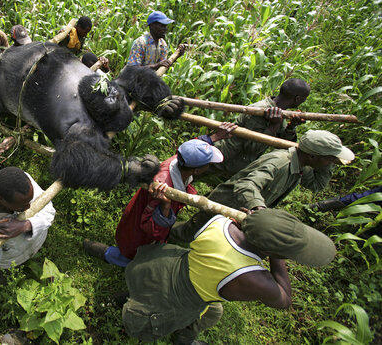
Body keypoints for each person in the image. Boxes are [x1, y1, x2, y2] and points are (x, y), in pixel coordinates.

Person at [121, 208, 336, 343]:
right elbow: (284, 300)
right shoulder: (251, 277)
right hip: (176, 299)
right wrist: (278, 256)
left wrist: (260, 226)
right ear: (270, 251)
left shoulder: (220, 222)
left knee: (215, 310)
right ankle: (183, 338)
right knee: (212, 312)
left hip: (164, 265)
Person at [83, 125, 235, 267]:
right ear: (196, 170)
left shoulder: (178, 161)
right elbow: (151, 228)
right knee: (133, 253)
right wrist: (166, 205)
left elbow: (191, 147)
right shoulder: (163, 188)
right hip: (139, 229)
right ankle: (106, 253)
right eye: (208, 163)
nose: (209, 166)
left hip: (137, 215)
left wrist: (213, 137)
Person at [171, 130, 355, 242]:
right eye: (328, 159)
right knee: (189, 232)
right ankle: (158, 238)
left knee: (208, 236)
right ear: (313, 156)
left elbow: (317, 185)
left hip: (240, 211)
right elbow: (247, 184)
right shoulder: (279, 163)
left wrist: (329, 161)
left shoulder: (302, 165)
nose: (330, 163)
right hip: (227, 202)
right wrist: (258, 208)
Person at [211, 78, 310, 178]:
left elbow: (283, 145)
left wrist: (291, 126)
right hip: (223, 161)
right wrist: (273, 126)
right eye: (304, 99)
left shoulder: (280, 112)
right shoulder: (261, 111)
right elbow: (252, 148)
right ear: (297, 99)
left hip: (235, 164)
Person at [0, 167, 55, 273]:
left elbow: (49, 210)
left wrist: (26, 225)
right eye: (22, 207)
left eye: (30, 202)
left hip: (36, 242)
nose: (28, 207)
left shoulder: (22, 184)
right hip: (13, 260)